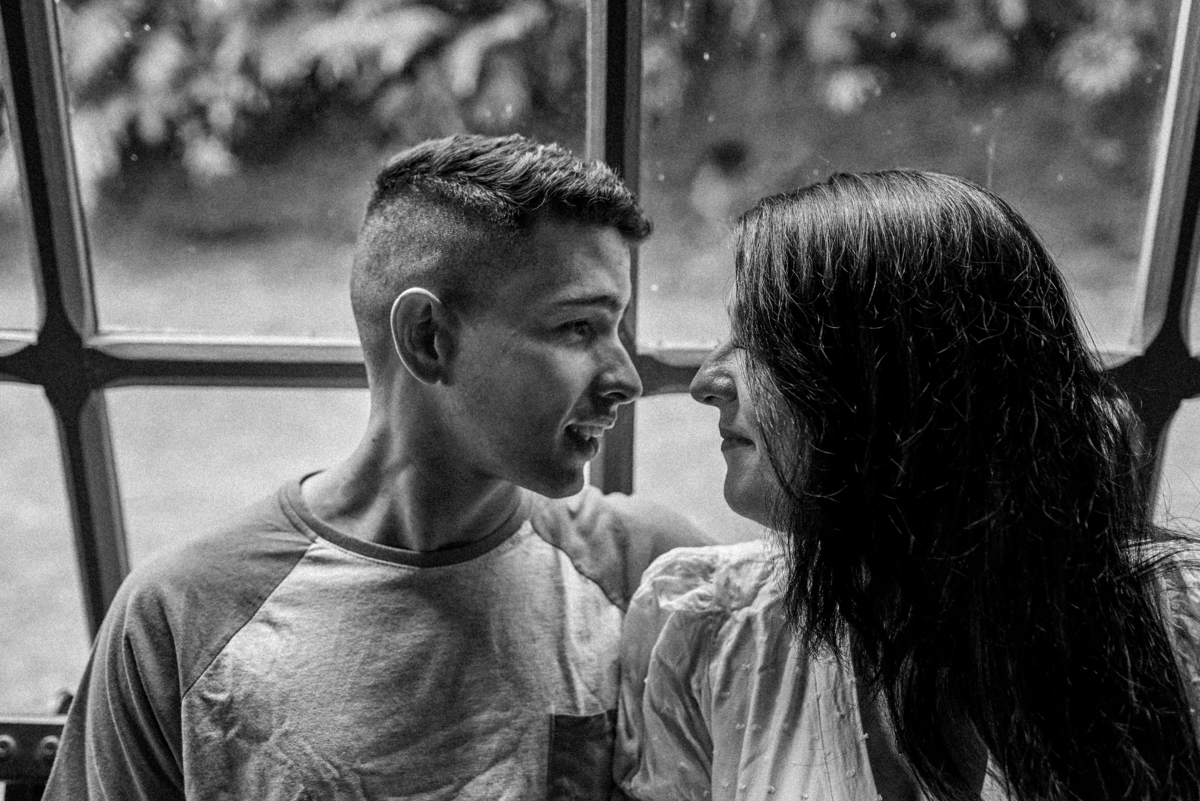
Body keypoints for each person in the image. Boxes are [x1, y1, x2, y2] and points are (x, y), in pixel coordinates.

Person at [45, 133, 710, 800]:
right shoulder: (179, 617)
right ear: (428, 338)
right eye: (577, 328)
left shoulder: (652, 576)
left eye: (617, 327)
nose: (626, 379)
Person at [615, 171, 1200, 801]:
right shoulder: (707, 634)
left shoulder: (1179, 628)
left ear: (896, 380)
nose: (704, 382)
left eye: (757, 340)